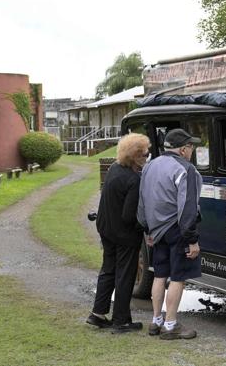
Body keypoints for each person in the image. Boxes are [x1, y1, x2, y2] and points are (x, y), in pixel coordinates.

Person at [137, 128, 202, 340]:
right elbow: (188, 207)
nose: (192, 150)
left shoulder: (149, 166)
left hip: (156, 230)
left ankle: (156, 321)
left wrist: (147, 229)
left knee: (159, 274)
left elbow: (142, 202)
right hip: (178, 229)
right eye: (191, 146)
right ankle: (171, 324)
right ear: (183, 149)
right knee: (178, 277)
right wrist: (192, 239)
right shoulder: (186, 169)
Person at [87, 133, 150, 334]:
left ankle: (98, 314)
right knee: (125, 275)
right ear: (135, 156)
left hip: (106, 229)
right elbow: (129, 216)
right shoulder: (133, 179)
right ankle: (121, 320)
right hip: (123, 234)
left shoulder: (114, 169)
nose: (147, 158)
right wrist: (145, 227)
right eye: (144, 155)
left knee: (108, 270)